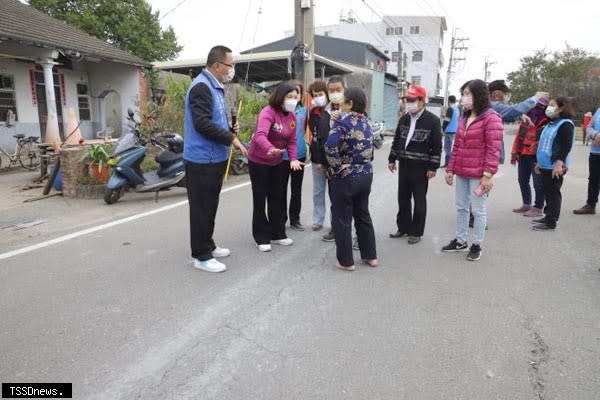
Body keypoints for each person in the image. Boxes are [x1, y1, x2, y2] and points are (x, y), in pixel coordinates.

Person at [183, 45, 248, 273]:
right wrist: (231, 138)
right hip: (202, 159)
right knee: (201, 208)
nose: (232, 69)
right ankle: (201, 256)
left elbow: (214, 121)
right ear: (217, 65)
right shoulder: (201, 87)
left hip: (214, 157)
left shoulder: (215, 86)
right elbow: (202, 123)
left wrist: (230, 127)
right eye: (230, 65)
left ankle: (208, 244)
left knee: (210, 205)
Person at [442, 79, 503, 261]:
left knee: (478, 211)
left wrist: (487, 176)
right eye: (463, 94)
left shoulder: (492, 118)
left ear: (479, 95)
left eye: (468, 93)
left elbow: (493, 150)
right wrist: (450, 169)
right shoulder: (464, 117)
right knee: (461, 208)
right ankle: (460, 241)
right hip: (461, 171)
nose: (464, 98)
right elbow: (457, 146)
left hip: (478, 174)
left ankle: (477, 245)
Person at [324, 87, 377, 271]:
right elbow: (370, 151)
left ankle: (346, 261)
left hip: (346, 177)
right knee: (363, 214)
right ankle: (370, 256)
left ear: (350, 103)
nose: (341, 104)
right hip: (366, 175)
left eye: (344, 101)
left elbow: (330, 146)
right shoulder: (367, 123)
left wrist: (337, 167)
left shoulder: (343, 124)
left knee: (342, 218)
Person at [247, 81, 304, 252]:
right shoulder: (268, 112)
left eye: (296, 97)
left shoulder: (292, 117)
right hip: (259, 161)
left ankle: (277, 233)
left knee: (277, 197)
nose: (293, 100)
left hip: (277, 161)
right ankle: (261, 237)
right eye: (289, 97)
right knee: (260, 198)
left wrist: (293, 159)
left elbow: (292, 141)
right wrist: (270, 149)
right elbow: (260, 136)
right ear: (281, 97)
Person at [388, 84, 442, 244]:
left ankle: (416, 232)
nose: (409, 103)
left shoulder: (432, 121)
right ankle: (403, 227)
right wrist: (392, 159)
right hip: (404, 164)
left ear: (422, 101)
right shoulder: (404, 118)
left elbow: (437, 146)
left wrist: (433, 167)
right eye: (407, 100)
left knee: (419, 200)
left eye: (412, 100)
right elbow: (397, 139)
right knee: (403, 199)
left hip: (421, 167)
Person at [532, 97, 575, 231]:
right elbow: (544, 145)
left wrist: (559, 164)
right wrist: (539, 162)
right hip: (545, 165)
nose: (548, 108)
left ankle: (551, 221)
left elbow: (565, 146)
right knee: (547, 191)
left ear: (561, 108)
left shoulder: (566, 124)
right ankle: (547, 215)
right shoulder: (551, 123)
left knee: (553, 193)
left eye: (552, 105)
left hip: (555, 165)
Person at [488, 79, 549, 164]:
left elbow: (509, 114)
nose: (506, 96)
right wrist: (535, 98)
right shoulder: (493, 105)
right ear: (496, 94)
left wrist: (520, 115)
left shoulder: (490, 106)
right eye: (505, 93)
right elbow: (514, 110)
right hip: (487, 157)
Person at [510, 97, 550, 218]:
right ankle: (526, 204)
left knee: (538, 183)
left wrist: (536, 145)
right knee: (522, 180)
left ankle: (538, 207)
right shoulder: (526, 118)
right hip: (523, 154)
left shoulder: (546, 121)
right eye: (536, 105)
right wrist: (514, 151)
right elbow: (518, 136)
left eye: (541, 106)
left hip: (537, 156)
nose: (537, 108)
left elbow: (548, 140)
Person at [283, 81, 308, 231]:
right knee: (280, 190)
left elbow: (303, 130)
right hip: (282, 157)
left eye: (297, 93)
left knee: (296, 190)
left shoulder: (304, 111)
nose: (294, 96)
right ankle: (280, 220)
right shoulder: (281, 111)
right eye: (291, 94)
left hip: (300, 155)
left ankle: (295, 219)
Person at [307, 79, 329, 231]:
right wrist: (318, 158)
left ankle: (337, 221)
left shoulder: (335, 111)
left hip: (333, 160)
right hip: (316, 159)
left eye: (320, 94)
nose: (318, 97)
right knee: (318, 191)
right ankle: (318, 220)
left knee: (336, 193)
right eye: (315, 95)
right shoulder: (314, 112)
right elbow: (314, 137)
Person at [573, 108, 600, 215]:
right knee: (593, 180)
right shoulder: (598, 110)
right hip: (595, 152)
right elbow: (589, 127)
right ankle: (590, 205)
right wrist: (595, 134)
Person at [442, 95, 459, 167]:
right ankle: (451, 163)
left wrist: (442, 128)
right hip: (455, 130)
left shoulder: (450, 109)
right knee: (452, 147)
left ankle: (447, 164)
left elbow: (447, 120)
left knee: (447, 148)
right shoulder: (457, 109)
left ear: (449, 101)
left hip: (449, 130)